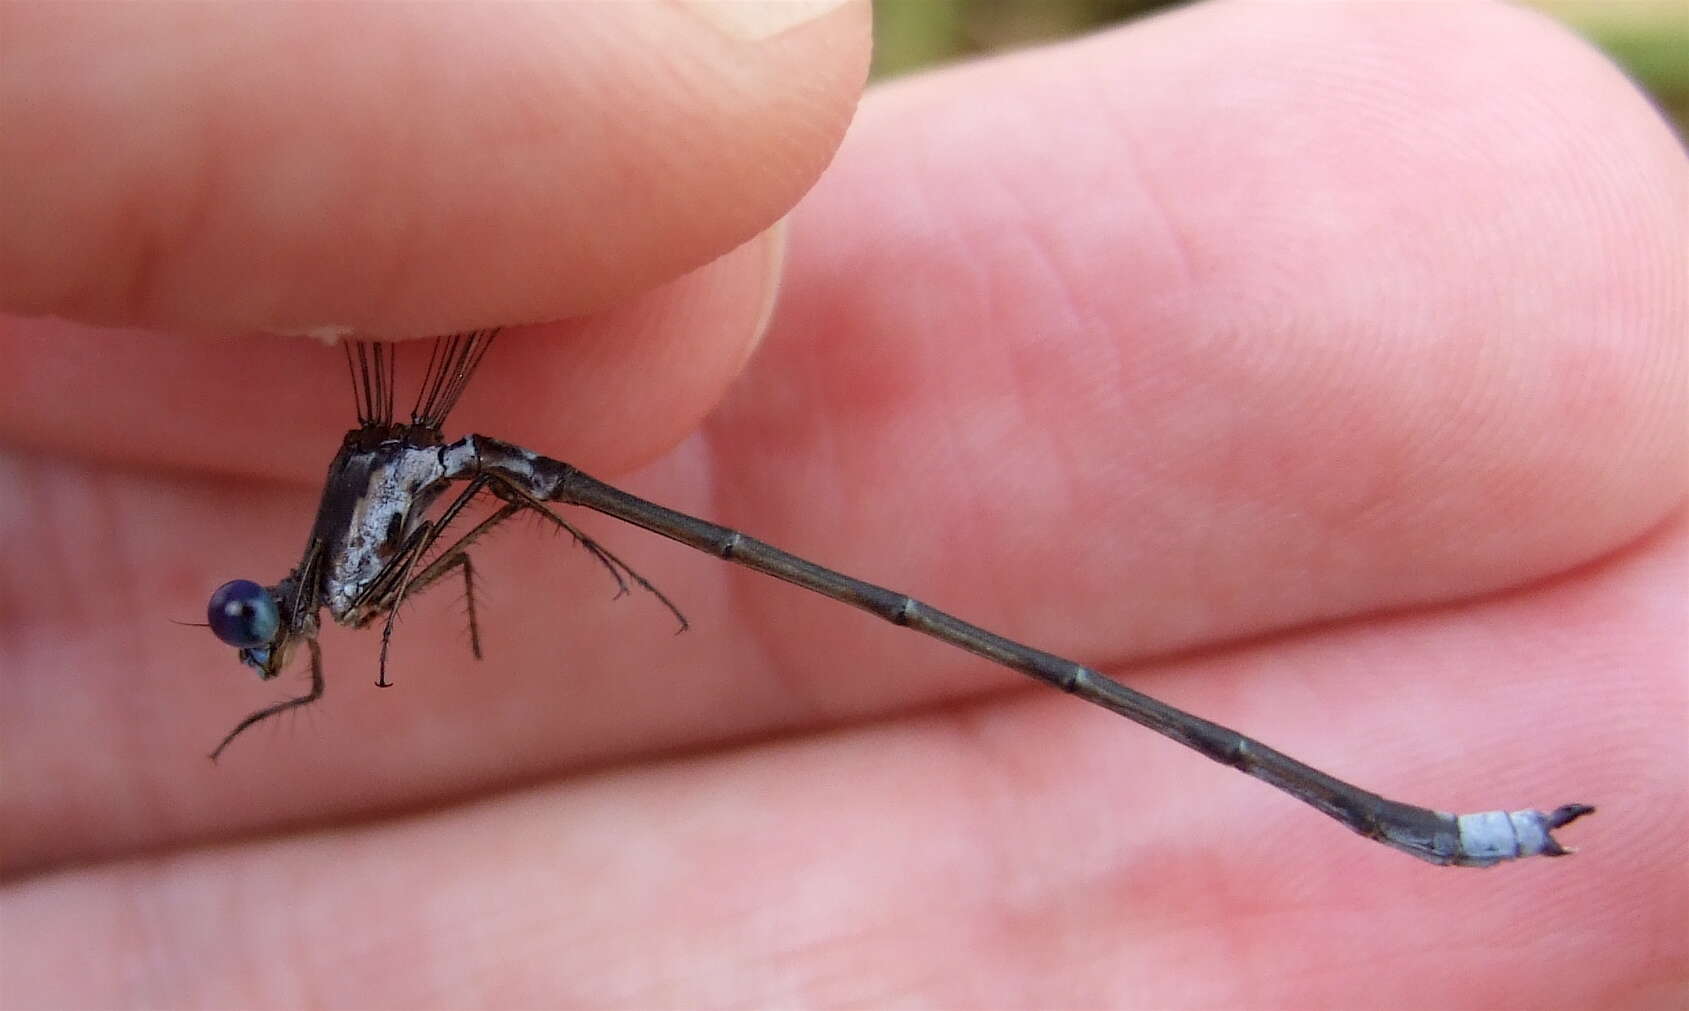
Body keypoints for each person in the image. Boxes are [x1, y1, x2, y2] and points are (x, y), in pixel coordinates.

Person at [2, 1, 1683, 1006]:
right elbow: (419, 572)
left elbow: (441, 539)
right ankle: (1408, 827)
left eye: (257, 626)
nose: (260, 632)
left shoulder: (354, 523)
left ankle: (1404, 827)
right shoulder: (350, 557)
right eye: (257, 631)